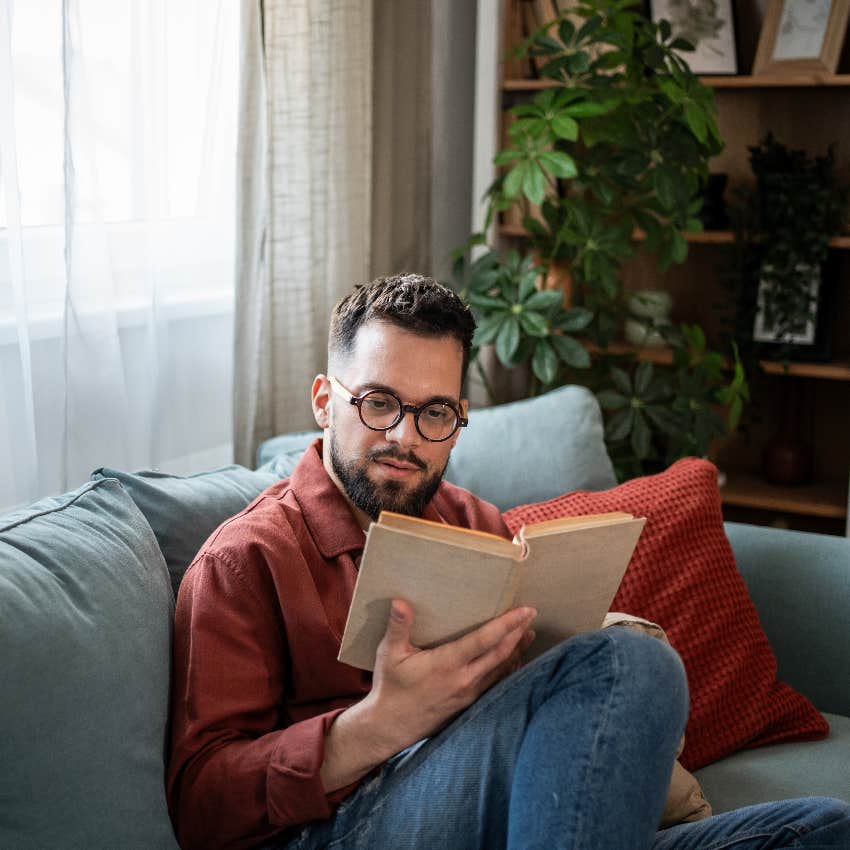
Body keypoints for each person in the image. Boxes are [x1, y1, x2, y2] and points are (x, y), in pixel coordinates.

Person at [167, 274, 850, 850]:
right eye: (378, 404)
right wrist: (378, 723)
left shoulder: (472, 523)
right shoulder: (244, 559)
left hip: (514, 817)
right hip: (345, 827)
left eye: (435, 413)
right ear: (325, 400)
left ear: (459, 419)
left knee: (823, 829)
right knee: (626, 662)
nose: (405, 437)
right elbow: (201, 804)